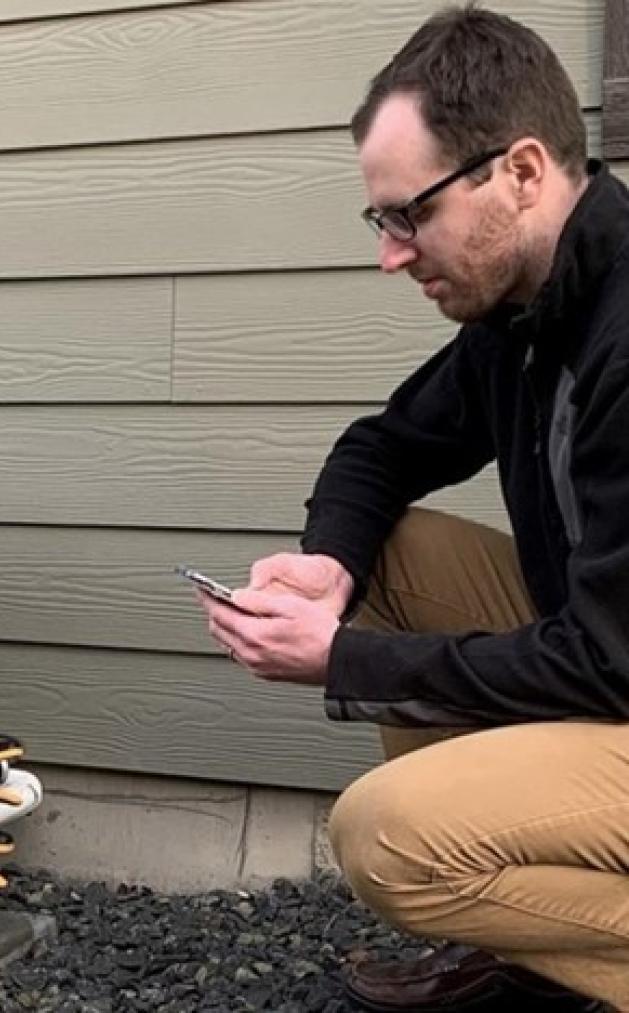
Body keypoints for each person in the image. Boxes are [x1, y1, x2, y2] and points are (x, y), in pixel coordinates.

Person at [195, 5, 629, 1012]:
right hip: (608, 653)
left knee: (387, 836)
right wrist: (331, 566)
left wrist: (340, 656)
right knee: (391, 549)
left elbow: (609, 657)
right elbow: (380, 447)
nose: (393, 252)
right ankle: (529, 941)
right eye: (380, 219)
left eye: (411, 213)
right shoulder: (526, 309)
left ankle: (536, 929)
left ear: (520, 172)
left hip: (616, 659)